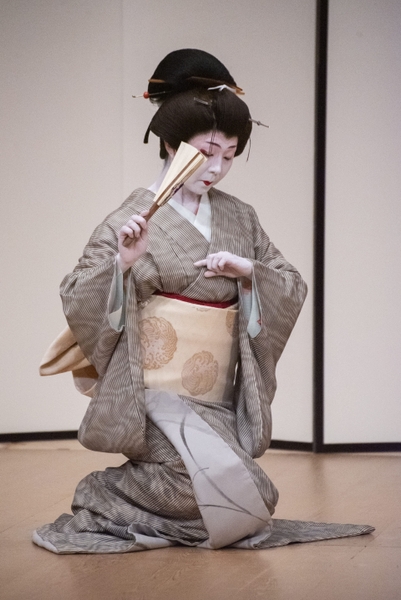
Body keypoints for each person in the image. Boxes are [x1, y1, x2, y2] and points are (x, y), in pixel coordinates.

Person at [33, 49, 373, 553]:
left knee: (256, 495)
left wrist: (248, 272)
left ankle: (133, 505)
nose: (217, 168)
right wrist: (123, 264)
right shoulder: (128, 220)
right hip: (152, 397)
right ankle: (101, 494)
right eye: (207, 152)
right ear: (171, 143)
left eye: (230, 156)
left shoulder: (241, 217)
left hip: (214, 398)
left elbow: (290, 284)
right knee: (196, 492)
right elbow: (78, 294)